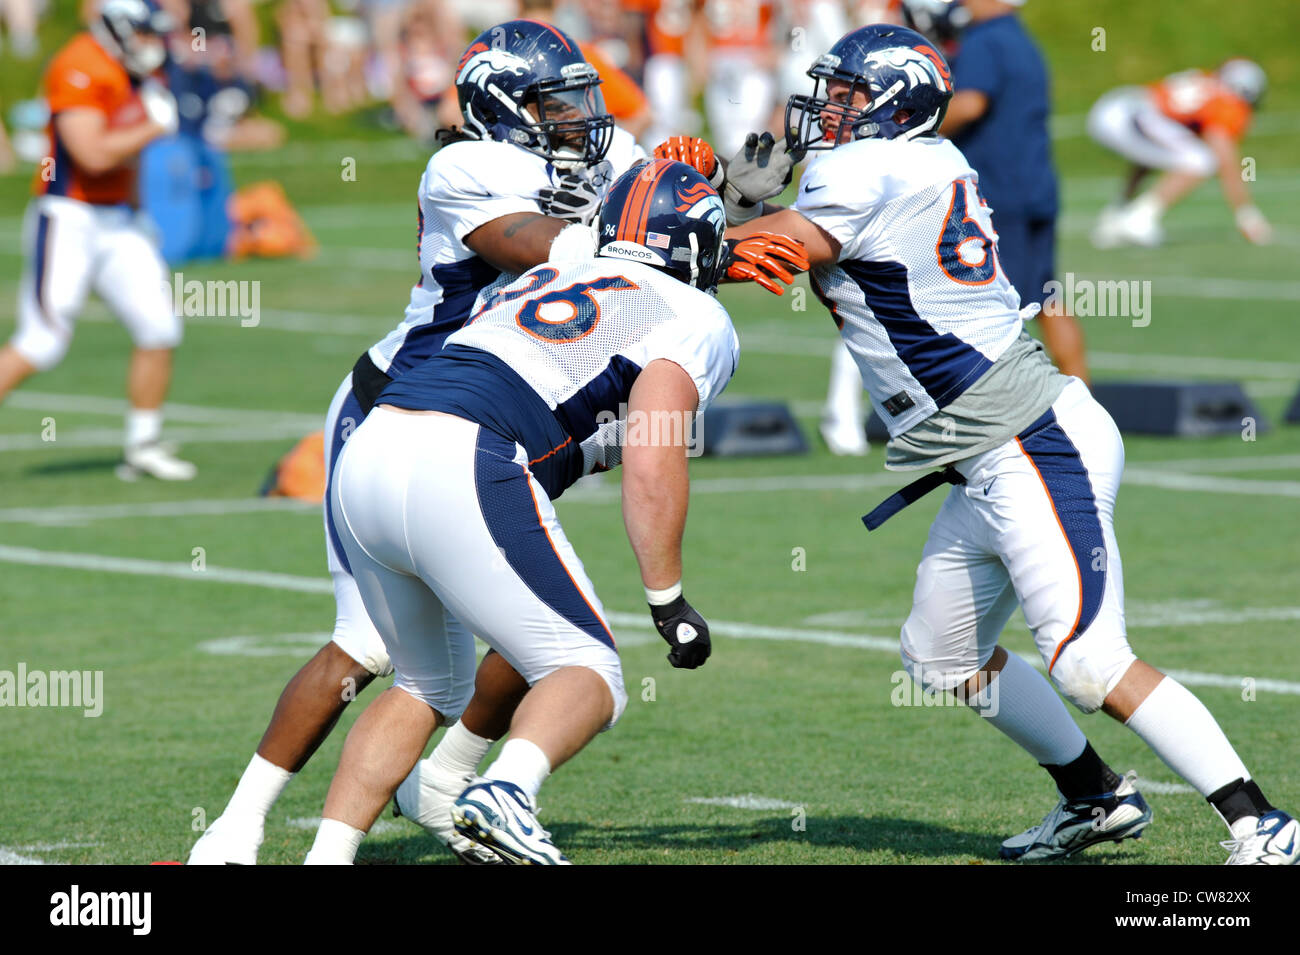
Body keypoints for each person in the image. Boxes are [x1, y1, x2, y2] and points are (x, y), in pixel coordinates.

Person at [723, 22, 1298, 864]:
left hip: (1028, 441)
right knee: (940, 649)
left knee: (1086, 659)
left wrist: (681, 216)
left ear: (894, 103)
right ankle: (1095, 797)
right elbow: (790, 237)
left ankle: (1265, 822)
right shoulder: (923, 159)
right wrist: (731, 209)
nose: (826, 107)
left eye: (847, 93)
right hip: (989, 453)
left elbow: (771, 250)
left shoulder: (866, 168)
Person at [305, 159, 738, 865]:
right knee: (587, 670)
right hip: (465, 454)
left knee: (424, 682)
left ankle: (327, 856)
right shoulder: (696, 314)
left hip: (371, 443)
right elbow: (657, 445)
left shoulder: (545, 275)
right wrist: (668, 597)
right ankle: (507, 788)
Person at [0, 0, 197, 481]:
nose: (155, 45)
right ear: (118, 29)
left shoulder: (141, 72)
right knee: (42, 341)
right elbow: (90, 154)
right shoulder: (80, 64)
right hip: (69, 215)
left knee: (159, 328)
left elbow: (127, 163)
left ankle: (142, 445)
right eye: (146, 33)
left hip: (119, 219)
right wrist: (153, 128)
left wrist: (139, 213)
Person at [932, 0, 1088, 383]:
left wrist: (916, 130)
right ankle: (1084, 395)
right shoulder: (1023, 40)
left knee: (996, 306)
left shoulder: (985, 40)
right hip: (1036, 184)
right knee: (1047, 296)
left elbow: (969, 104)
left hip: (1000, 191)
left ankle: (1011, 407)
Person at [1088, 59, 1271, 248]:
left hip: (1116, 104)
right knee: (1200, 160)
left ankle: (1118, 213)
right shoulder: (1227, 102)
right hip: (1132, 117)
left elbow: (1151, 151)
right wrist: (1246, 215)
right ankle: (1139, 218)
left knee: (1158, 151)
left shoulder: (1205, 80)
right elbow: (1225, 159)